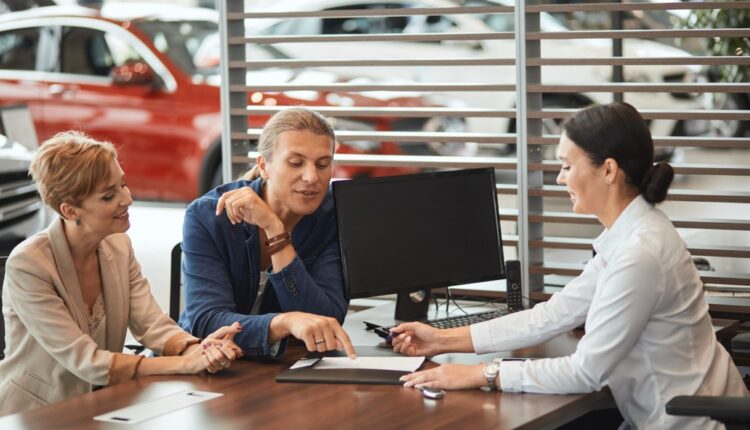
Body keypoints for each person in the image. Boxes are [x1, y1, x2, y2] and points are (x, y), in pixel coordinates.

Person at [390, 102, 748, 428]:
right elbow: (552, 315)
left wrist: (483, 374)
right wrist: (440, 339)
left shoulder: (639, 253)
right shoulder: (630, 235)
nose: (560, 178)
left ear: (608, 170)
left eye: (566, 165)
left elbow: (585, 372)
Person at [0, 131, 243, 416]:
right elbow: (87, 362)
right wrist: (185, 363)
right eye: (108, 195)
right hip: (35, 415)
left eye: (123, 184)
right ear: (70, 210)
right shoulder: (29, 264)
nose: (127, 198)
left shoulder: (119, 245)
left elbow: (152, 324)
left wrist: (197, 350)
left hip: (102, 406)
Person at [179, 107, 355, 359]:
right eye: (296, 163)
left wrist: (275, 230)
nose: (311, 177)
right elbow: (206, 321)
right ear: (264, 166)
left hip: (285, 367)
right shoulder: (208, 216)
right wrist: (285, 323)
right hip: (209, 364)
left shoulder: (332, 217)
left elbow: (326, 320)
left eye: (323, 164)